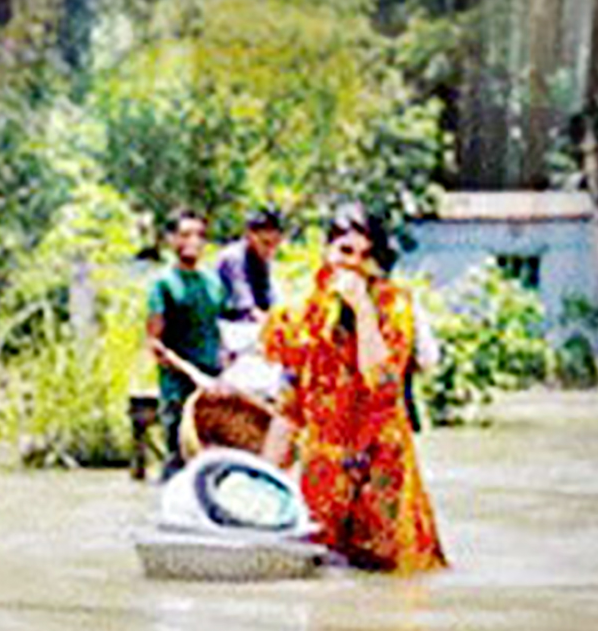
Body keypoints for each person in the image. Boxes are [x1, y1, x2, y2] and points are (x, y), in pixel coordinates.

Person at [260, 204, 448, 574]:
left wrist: (362, 309)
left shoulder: (394, 307)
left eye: (365, 255)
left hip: (382, 467)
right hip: (324, 472)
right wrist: (261, 482)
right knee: (325, 584)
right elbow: (289, 406)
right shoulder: (300, 314)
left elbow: (381, 381)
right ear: (327, 252)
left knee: (395, 580)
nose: (354, 264)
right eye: (345, 251)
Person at [144, 208, 230, 480]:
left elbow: (220, 330)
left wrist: (227, 367)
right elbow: (155, 345)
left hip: (213, 384)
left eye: (200, 235)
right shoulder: (163, 284)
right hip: (178, 389)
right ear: (171, 240)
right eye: (185, 234)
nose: (193, 241)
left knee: (217, 464)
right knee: (178, 465)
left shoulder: (213, 283)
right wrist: (193, 374)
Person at [214, 207, 285, 324]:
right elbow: (245, 307)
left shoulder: (263, 259)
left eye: (275, 243)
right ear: (250, 235)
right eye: (265, 243)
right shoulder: (233, 257)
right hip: (228, 322)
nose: (271, 250)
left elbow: (272, 300)